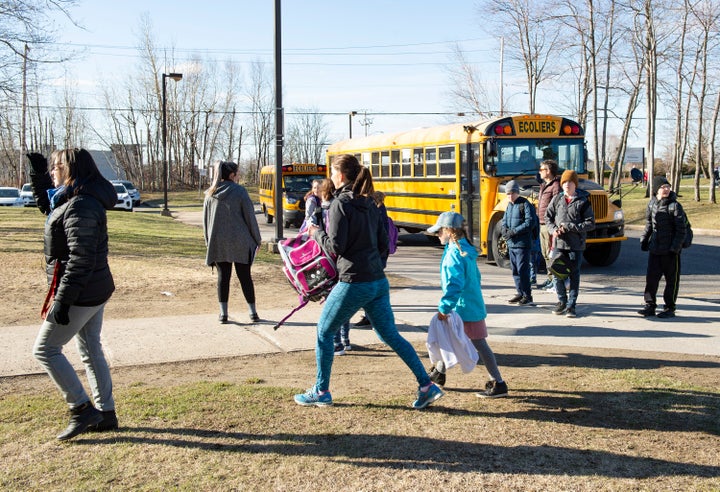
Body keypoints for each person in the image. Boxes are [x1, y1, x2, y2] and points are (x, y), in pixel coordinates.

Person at [295, 154, 444, 409]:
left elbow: (336, 246)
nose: (330, 177)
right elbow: (385, 242)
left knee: (324, 331)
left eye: (332, 172)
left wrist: (315, 232)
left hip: (354, 280)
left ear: (341, 175)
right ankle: (426, 385)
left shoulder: (340, 204)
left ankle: (321, 390)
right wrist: (375, 266)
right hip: (377, 280)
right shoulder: (372, 202)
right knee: (390, 335)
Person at [27, 149, 119, 441]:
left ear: (69, 169)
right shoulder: (72, 198)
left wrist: (63, 301)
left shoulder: (82, 205)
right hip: (93, 288)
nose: (53, 172)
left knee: (45, 350)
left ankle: (81, 409)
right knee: (91, 350)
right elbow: (49, 209)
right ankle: (106, 413)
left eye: (55, 167)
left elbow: (81, 258)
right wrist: (38, 176)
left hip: (82, 291)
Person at [426, 212, 509, 398]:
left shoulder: (455, 253)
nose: (437, 235)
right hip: (468, 305)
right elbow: (475, 279)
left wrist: (444, 307)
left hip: (463, 308)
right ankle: (439, 373)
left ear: (449, 231)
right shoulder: (463, 250)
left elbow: (455, 284)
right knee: (447, 338)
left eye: (439, 231)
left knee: (479, 344)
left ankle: (499, 383)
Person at [203, 161, 262, 324]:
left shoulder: (210, 193)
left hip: (219, 242)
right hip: (241, 242)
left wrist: (209, 243)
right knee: (245, 277)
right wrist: (257, 239)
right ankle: (253, 312)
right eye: (237, 174)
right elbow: (250, 218)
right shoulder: (240, 192)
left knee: (223, 278)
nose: (239, 176)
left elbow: (206, 222)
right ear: (231, 175)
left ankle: (223, 314)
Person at [544, 170, 595, 318]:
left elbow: (590, 223)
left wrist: (571, 226)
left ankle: (571, 305)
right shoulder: (557, 199)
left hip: (575, 245)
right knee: (557, 274)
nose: (567, 185)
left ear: (575, 184)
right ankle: (561, 302)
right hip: (559, 244)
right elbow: (548, 217)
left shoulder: (583, 201)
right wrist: (554, 230)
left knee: (574, 275)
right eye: (564, 182)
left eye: (570, 182)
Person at [637, 176, 687, 318]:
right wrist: (644, 240)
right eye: (663, 187)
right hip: (655, 249)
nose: (666, 189)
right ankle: (650, 305)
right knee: (651, 279)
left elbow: (681, 230)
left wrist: (675, 248)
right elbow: (649, 224)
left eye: (668, 186)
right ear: (656, 189)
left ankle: (669, 308)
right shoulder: (652, 204)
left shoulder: (675, 206)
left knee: (671, 280)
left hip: (671, 251)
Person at [501, 180, 535, 306]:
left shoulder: (525, 204)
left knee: (522, 270)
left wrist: (514, 232)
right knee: (515, 270)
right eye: (508, 194)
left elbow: (529, 222)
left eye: (512, 193)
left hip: (522, 244)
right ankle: (520, 292)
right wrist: (504, 231)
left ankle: (527, 295)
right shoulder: (509, 205)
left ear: (517, 192)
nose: (510, 196)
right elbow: (504, 221)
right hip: (512, 244)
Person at [537, 159, 562, 290]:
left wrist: (553, 223)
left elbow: (557, 205)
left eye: (541, 169)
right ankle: (549, 278)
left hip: (549, 224)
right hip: (541, 223)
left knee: (550, 253)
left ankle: (554, 279)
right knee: (545, 254)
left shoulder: (555, 186)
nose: (539, 172)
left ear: (548, 171)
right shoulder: (544, 185)